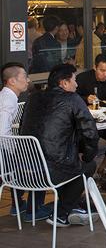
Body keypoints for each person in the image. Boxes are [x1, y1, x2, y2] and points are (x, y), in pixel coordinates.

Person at [20, 64, 98, 227]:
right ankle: (61, 214)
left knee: (71, 163)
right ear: (64, 83)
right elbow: (90, 132)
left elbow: (22, 128)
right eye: (74, 80)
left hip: (24, 169)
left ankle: (72, 206)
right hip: (50, 172)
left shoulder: (33, 97)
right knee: (88, 165)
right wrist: (87, 154)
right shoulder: (72, 99)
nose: (76, 84)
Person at [0, 63, 47, 220]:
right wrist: (14, 149)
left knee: (26, 160)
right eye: (24, 77)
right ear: (12, 81)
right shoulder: (8, 100)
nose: (28, 80)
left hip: (4, 154)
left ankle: (17, 204)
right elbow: (2, 131)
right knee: (38, 162)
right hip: (3, 156)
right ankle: (34, 209)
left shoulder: (6, 96)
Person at [75, 53, 106, 177]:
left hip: (103, 120)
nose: (105, 74)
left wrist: (100, 102)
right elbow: (73, 98)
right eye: (102, 70)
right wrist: (86, 99)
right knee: (91, 140)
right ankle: (85, 172)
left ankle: (102, 167)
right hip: (84, 123)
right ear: (95, 67)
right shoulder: (82, 78)